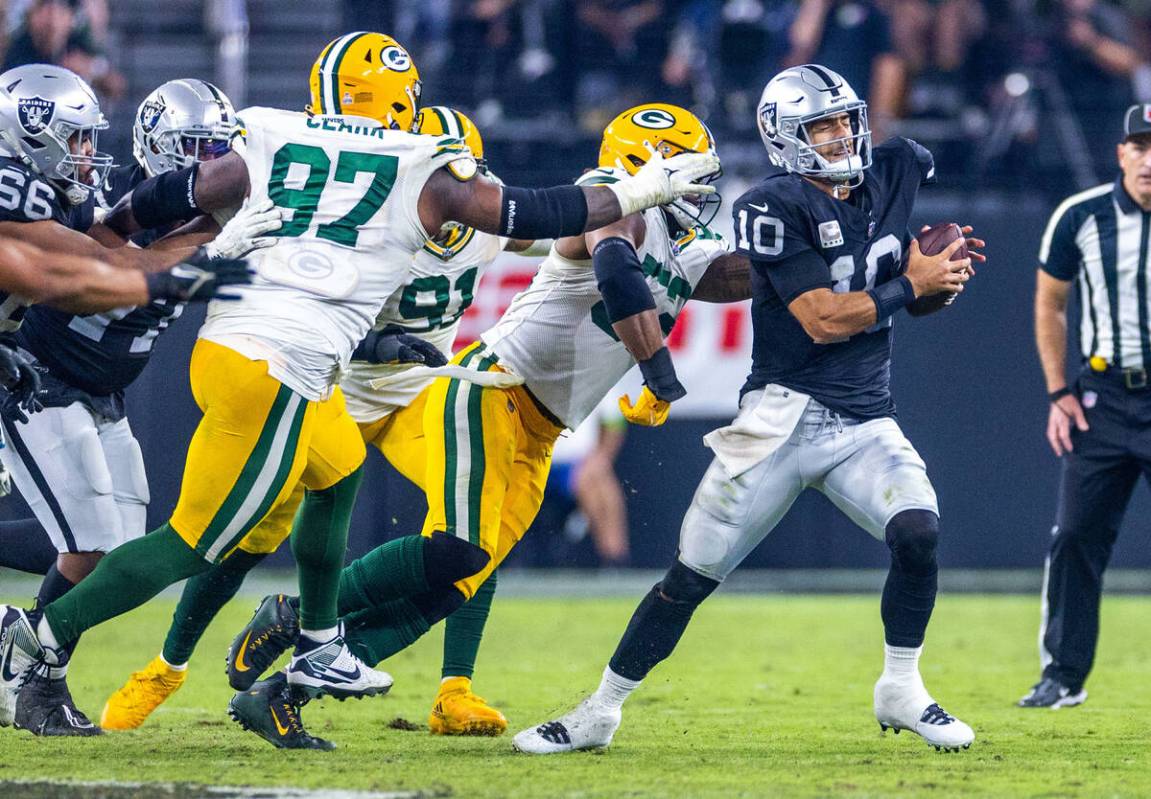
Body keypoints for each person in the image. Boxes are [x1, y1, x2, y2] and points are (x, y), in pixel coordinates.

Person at [0, 32, 716, 735]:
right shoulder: (416, 163)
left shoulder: (276, 129)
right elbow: (537, 210)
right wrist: (642, 186)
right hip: (281, 359)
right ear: (399, 101)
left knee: (337, 472)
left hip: (265, 350)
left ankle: (318, 641)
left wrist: (114, 233)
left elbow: (182, 189)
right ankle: (37, 633)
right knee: (196, 541)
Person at [224, 102, 742, 750]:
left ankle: (281, 694)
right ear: (643, 164)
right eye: (683, 171)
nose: (696, 189)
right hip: (493, 394)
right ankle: (295, 615)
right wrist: (659, 374)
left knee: (453, 585)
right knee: (457, 550)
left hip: (541, 430)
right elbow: (615, 271)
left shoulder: (681, 244)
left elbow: (743, 274)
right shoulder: (608, 203)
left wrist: (825, 255)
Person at [512, 64, 983, 756]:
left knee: (917, 531)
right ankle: (599, 710)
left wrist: (938, 283)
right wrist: (908, 284)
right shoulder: (770, 204)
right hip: (777, 419)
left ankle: (901, 687)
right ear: (785, 138)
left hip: (863, 417)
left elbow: (911, 289)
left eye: (845, 119)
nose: (840, 135)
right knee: (690, 576)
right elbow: (822, 319)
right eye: (820, 126)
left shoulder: (899, 166)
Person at [99, 106, 544, 740]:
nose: (457, 199)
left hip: (414, 395)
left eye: (468, 185)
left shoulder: (489, 226)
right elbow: (305, 297)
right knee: (247, 532)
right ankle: (166, 665)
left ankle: (452, 687)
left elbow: (566, 238)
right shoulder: (375, 214)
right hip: (333, 383)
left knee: (477, 525)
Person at [0, 75, 251, 737]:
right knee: (86, 540)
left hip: (97, 389)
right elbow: (122, 267)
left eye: (219, 149)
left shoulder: (96, 196)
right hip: (40, 377)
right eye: (197, 148)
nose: (212, 162)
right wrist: (207, 237)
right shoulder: (114, 207)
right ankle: (34, 679)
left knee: (114, 552)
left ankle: (33, 669)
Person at [1019, 104, 1151, 710]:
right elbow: (1050, 305)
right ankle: (1063, 675)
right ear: (1120, 153)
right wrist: (1058, 391)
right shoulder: (1081, 216)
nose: (1148, 159)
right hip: (1104, 398)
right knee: (1074, 535)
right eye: (1139, 146)